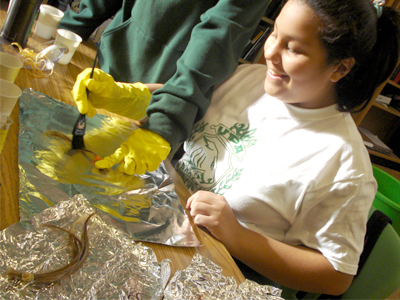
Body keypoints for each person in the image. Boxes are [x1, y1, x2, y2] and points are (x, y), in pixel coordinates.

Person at [174, 0, 400, 297]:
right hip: (169, 228)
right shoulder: (249, 80)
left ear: (340, 67)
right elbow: (184, 103)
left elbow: (336, 276)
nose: (269, 53)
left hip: (213, 279)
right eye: (274, 34)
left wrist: (236, 234)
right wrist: (130, 95)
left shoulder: (342, 163)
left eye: (292, 48)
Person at [58, 0, 271, 175]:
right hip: (113, 64)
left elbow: (221, 34)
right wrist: (68, 31)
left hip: (169, 101)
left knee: (113, 183)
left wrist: (166, 121)